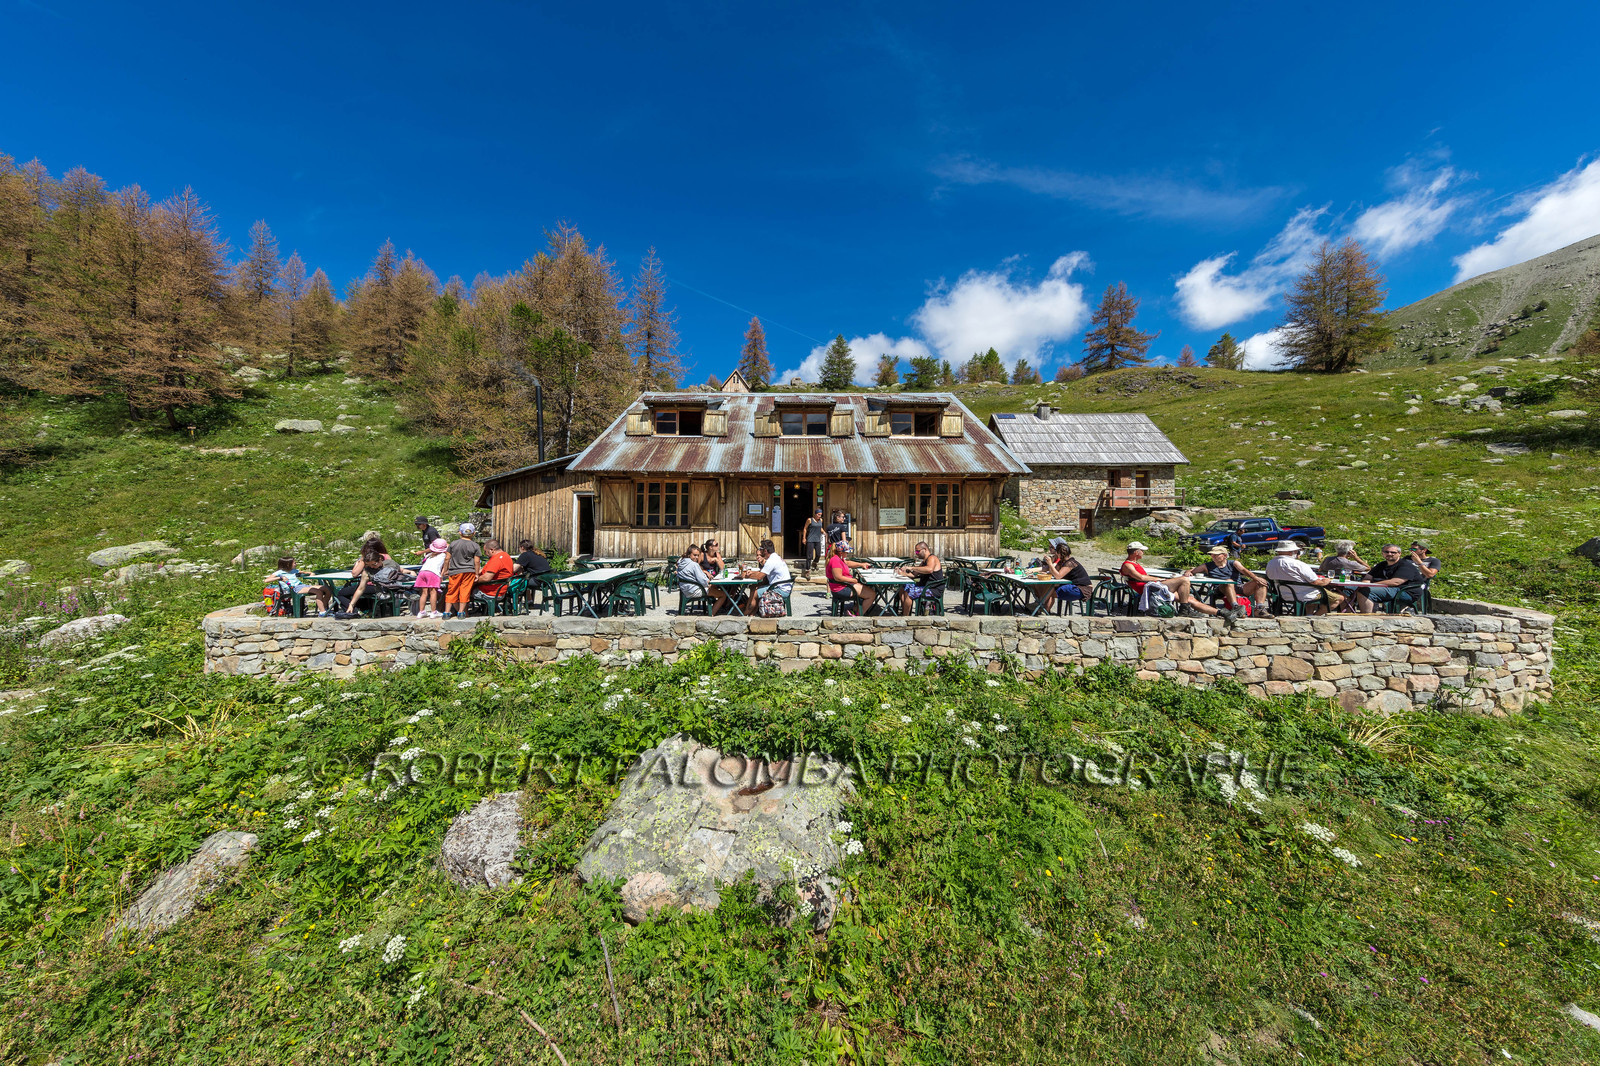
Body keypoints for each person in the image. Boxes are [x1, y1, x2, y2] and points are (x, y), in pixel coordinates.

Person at [1120, 541, 1226, 619]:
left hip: (1152, 587)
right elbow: (1141, 577)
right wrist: (1159, 579)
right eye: (1142, 551)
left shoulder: (1134, 564)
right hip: (1149, 589)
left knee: (1189, 599)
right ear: (1136, 552)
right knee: (1184, 580)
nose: (1143, 553)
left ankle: (1220, 613)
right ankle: (1184, 610)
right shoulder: (1128, 565)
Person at [1264, 540, 1345, 615]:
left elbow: (1269, 577)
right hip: (1305, 594)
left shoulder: (1271, 563)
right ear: (1292, 552)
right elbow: (1316, 582)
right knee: (1339, 598)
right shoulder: (1297, 564)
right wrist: (1326, 580)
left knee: (1312, 592)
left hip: (1282, 594)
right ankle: (1315, 616)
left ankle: (1308, 614)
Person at [1188, 545, 1267, 612]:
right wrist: (1188, 572)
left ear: (1225, 556)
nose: (1213, 556)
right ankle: (1235, 607)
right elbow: (1193, 570)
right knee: (1229, 582)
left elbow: (1244, 570)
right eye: (1212, 554)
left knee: (1261, 582)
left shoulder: (1233, 563)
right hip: (1221, 588)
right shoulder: (1207, 566)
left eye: (1216, 555)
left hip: (1238, 586)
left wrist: (1256, 578)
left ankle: (1260, 608)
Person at [1355, 544, 1428, 613]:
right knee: (1350, 589)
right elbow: (1368, 577)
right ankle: (1349, 612)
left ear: (1399, 553)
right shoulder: (1381, 565)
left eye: (1393, 552)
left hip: (1405, 592)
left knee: (1365, 591)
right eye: (1386, 552)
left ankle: (1367, 616)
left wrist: (1372, 585)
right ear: (1382, 553)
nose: (1389, 554)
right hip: (1388, 589)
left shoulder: (1406, 565)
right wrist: (1365, 584)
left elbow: (1396, 582)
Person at [341, 538, 403, 616]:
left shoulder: (368, 559)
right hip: (390, 586)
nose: (372, 566)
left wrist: (358, 562)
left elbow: (354, 574)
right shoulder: (387, 557)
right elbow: (398, 570)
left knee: (341, 593)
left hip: (374, 586)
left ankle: (356, 611)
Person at [739, 539, 793, 614]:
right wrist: (752, 572)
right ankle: (752, 612)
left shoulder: (771, 561)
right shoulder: (775, 557)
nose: (760, 551)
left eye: (761, 549)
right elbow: (762, 572)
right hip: (783, 587)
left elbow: (759, 577)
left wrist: (746, 576)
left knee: (754, 592)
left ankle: (746, 613)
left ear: (765, 551)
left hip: (781, 589)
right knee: (754, 586)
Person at [1039, 538, 1092, 613]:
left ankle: (1041, 606)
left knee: (1050, 591)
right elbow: (1054, 572)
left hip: (1082, 589)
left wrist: (1050, 564)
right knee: (1050, 588)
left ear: (1059, 554)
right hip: (1075, 586)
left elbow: (1058, 576)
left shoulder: (1070, 563)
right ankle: (1043, 609)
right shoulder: (1064, 562)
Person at [896, 541, 945, 616]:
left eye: (917, 551)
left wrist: (912, 567)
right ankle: (905, 611)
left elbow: (929, 569)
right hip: (925, 586)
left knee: (909, 592)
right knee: (903, 587)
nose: (916, 553)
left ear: (924, 549)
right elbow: (914, 575)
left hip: (933, 589)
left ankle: (905, 617)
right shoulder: (924, 562)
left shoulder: (932, 558)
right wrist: (902, 573)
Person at [676, 543, 728, 614]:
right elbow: (703, 580)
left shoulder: (681, 562)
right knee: (723, 594)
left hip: (685, 589)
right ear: (689, 555)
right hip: (695, 591)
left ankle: (715, 606)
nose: (697, 557)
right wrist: (708, 583)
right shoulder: (694, 564)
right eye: (694, 555)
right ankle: (712, 614)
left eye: (698, 555)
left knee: (714, 588)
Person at [825, 540, 874, 615]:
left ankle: (853, 611)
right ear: (841, 552)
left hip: (842, 586)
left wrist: (861, 564)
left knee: (867, 589)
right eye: (847, 552)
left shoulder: (838, 558)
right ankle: (857, 614)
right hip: (841, 589)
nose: (847, 554)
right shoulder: (835, 560)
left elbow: (847, 563)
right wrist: (853, 580)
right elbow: (838, 577)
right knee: (871, 594)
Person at [443, 523, 481, 618]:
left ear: (460, 532)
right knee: (465, 591)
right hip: (469, 571)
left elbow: (447, 558)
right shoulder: (475, 545)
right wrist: (477, 573)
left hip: (455, 571)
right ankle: (461, 612)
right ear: (474, 533)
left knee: (452, 591)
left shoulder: (453, 544)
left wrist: (445, 570)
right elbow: (477, 561)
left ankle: (446, 612)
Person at [413, 538, 448, 618]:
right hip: (433, 573)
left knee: (424, 593)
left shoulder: (429, 555)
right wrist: (441, 575)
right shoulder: (444, 555)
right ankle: (433, 612)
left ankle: (421, 612)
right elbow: (444, 568)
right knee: (433, 592)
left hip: (422, 572)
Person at [803, 508, 826, 574]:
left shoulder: (821, 520)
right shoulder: (810, 520)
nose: (819, 516)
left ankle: (815, 562)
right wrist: (804, 538)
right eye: (818, 514)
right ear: (815, 514)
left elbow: (820, 528)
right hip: (810, 539)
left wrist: (824, 532)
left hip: (817, 539)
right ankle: (807, 570)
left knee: (818, 554)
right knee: (809, 556)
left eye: (820, 514)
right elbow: (805, 528)